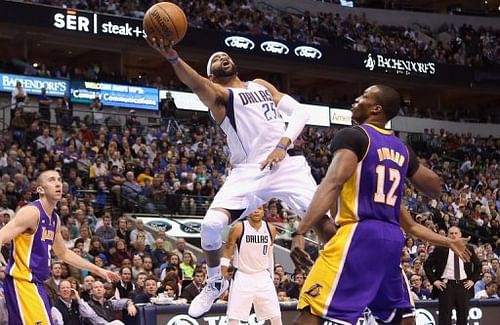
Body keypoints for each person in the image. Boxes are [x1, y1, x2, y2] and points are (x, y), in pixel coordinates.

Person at [148, 38, 318, 318]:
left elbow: (301, 111)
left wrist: (282, 144)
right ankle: (215, 280)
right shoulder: (219, 97)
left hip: (285, 164)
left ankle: (351, 277)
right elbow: (196, 83)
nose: (223, 57)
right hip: (249, 172)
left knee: (327, 221)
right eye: (216, 59)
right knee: (211, 225)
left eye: (225, 55)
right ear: (212, 75)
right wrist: (173, 58)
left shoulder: (261, 85)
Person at [289, 85, 468, 325]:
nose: (355, 99)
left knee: (313, 310)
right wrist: (448, 241)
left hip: (358, 235)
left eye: (363, 96)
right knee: (401, 317)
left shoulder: (354, 135)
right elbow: (426, 201)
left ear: (376, 108)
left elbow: (332, 182)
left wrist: (300, 232)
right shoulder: (402, 149)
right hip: (392, 239)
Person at [0, 170, 120, 325]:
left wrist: (98, 270)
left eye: (59, 179)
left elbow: (63, 253)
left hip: (37, 283)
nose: (58, 183)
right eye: (51, 180)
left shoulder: (54, 219)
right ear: (40, 189)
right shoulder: (31, 212)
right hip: (22, 282)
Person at [222, 207, 281, 325]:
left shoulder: (271, 229)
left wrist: (271, 275)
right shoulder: (238, 227)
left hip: (263, 276)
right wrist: (223, 273)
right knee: (234, 316)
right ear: (248, 212)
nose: (256, 211)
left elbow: (270, 255)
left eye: (259, 208)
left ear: (264, 211)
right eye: (253, 209)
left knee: (275, 315)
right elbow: (228, 248)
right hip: (243, 275)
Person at [423, 226, 481, 325]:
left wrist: (472, 280)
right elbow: (427, 265)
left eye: (456, 233)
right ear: (447, 235)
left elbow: (478, 266)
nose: (453, 235)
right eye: (451, 233)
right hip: (446, 286)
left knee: (463, 317)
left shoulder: (468, 248)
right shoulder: (440, 248)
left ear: (460, 235)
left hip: (463, 285)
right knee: (445, 317)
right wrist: (435, 281)